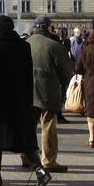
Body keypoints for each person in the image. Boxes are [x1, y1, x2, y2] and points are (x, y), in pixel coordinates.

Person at [0, 16, 52, 186]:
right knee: (24, 139)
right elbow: (28, 75)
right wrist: (28, 97)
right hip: (19, 99)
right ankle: (40, 171)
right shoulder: (23, 46)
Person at [28, 16, 74, 172]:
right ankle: (48, 160)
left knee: (29, 125)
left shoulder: (25, 44)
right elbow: (67, 72)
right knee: (48, 125)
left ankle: (28, 157)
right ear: (48, 28)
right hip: (48, 91)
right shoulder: (54, 46)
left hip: (28, 91)